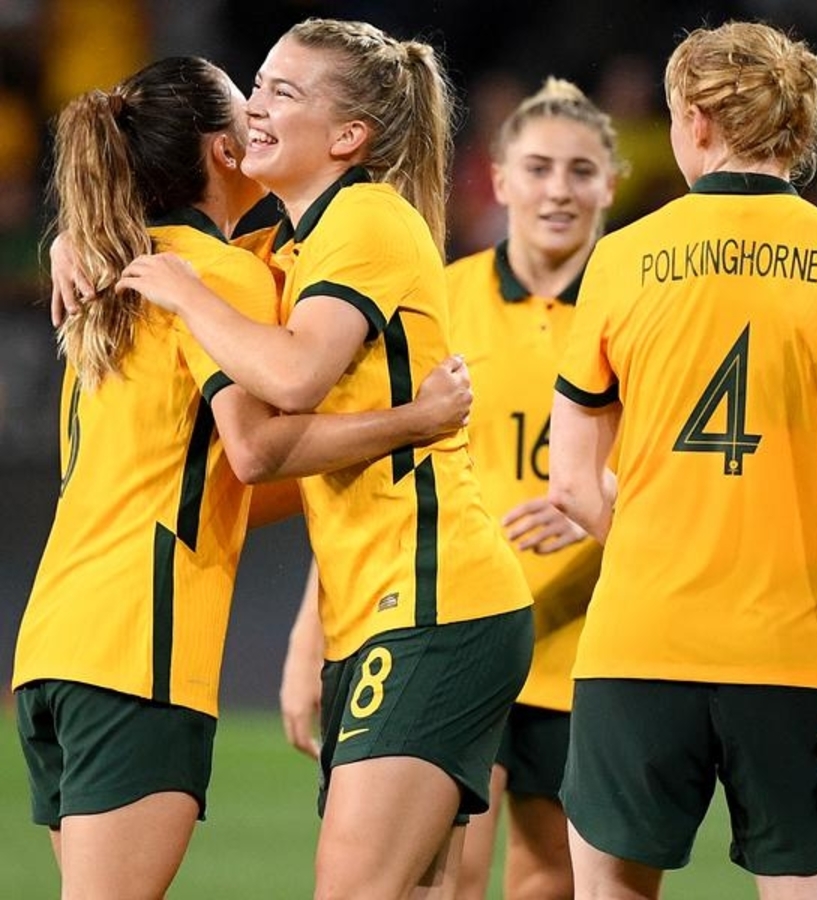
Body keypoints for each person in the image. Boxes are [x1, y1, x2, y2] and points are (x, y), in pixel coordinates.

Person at [14, 56, 473, 900]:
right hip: (138, 647)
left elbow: (210, 483)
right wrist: (414, 422)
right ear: (224, 150)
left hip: (55, 644)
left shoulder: (120, 265)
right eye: (245, 104)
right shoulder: (219, 278)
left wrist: (68, 234)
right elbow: (256, 448)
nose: (260, 114)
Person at [117, 19, 535, 900]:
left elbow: (295, 376)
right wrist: (76, 242)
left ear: (349, 136)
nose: (255, 107)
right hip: (385, 608)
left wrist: (188, 292)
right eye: (258, 85)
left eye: (284, 92)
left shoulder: (366, 220)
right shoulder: (302, 238)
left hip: (431, 603)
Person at [548, 21, 817, 900]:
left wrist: (663, 544)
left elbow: (571, 482)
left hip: (638, 645)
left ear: (698, 120)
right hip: (799, 652)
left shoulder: (619, 258)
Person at [278, 75, 624, 900]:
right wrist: (305, 638)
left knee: (553, 878)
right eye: (537, 168)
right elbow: (375, 469)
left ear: (612, 185)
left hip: (588, 638)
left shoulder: (632, 306)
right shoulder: (443, 295)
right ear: (498, 180)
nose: (558, 190)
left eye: (581, 171)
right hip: (450, 624)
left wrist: (604, 501)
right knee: (447, 873)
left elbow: (674, 464)